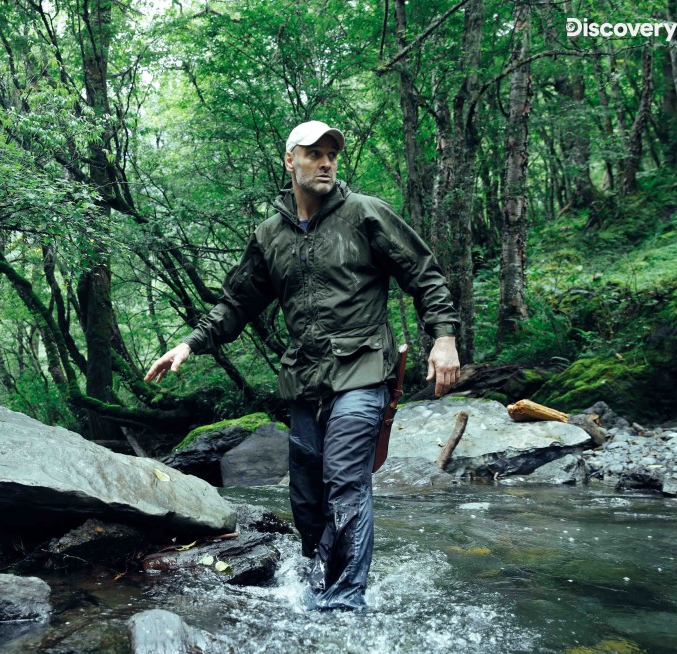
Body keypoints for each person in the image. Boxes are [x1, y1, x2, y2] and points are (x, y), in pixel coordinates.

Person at [144, 120, 460, 611]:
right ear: (290, 160)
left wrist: (443, 337)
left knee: (345, 481)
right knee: (308, 500)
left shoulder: (364, 214)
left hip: (363, 370)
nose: (327, 162)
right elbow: (235, 302)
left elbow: (424, 273)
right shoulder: (270, 234)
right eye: (314, 153)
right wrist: (190, 343)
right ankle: (318, 584)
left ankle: (346, 602)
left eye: (332, 153)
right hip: (304, 382)